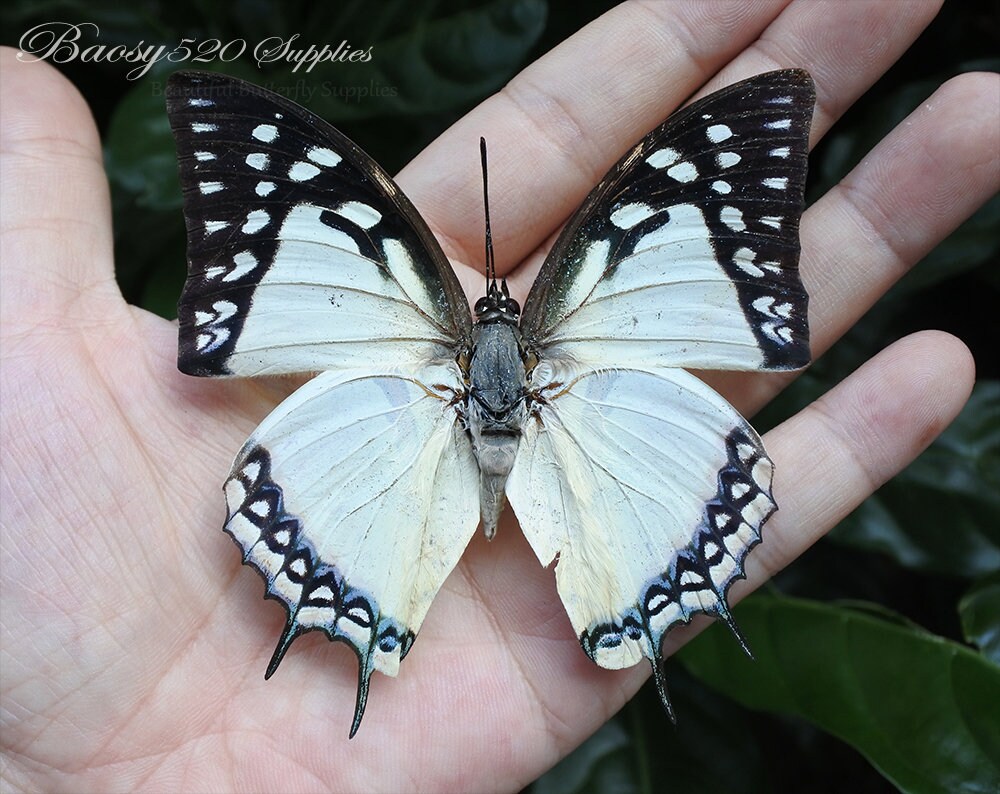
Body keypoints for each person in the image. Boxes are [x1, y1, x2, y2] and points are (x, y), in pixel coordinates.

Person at [1, 2, 997, 790]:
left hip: (397, 418)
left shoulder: (411, 292)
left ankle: (448, 596)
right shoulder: (578, 287)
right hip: (596, 415)